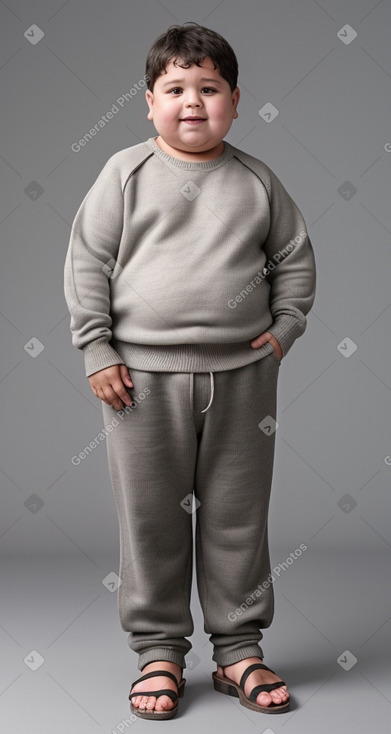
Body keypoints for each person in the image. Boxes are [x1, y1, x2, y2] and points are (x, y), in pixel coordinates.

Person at [64, 21, 316, 720]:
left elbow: (293, 257)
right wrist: (97, 348)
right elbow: (87, 261)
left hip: (242, 377)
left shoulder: (256, 180)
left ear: (235, 100)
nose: (192, 102)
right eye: (175, 88)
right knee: (151, 520)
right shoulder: (124, 173)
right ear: (149, 102)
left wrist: (284, 329)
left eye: (208, 88)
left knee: (237, 517)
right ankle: (159, 653)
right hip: (139, 382)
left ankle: (238, 650)